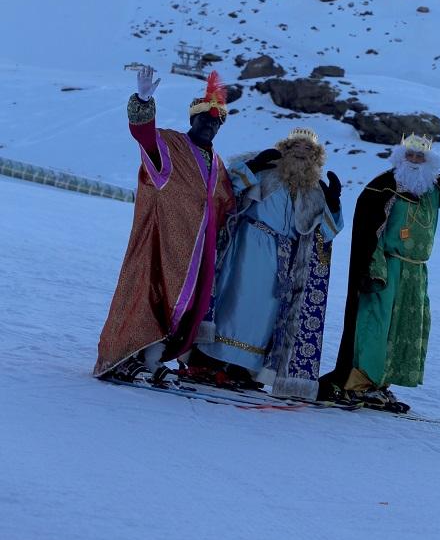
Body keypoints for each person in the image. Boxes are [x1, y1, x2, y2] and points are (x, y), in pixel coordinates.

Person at [318, 124, 440, 412]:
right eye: (410, 156)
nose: (415, 161)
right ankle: (359, 383)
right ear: (400, 158)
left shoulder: (432, 188)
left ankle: (381, 384)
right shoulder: (383, 187)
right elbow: (369, 233)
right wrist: (372, 267)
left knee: (403, 330)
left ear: (429, 161)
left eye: (420, 157)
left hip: (415, 273)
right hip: (386, 268)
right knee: (376, 327)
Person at [94, 66, 234, 382]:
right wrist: (142, 102)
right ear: (192, 119)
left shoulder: (218, 163)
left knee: (179, 309)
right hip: (161, 243)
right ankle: (126, 358)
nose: (210, 126)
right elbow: (144, 136)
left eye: (216, 122)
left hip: (194, 253)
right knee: (147, 297)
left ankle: (154, 361)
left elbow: (226, 203)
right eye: (205, 119)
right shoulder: (171, 144)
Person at [189, 128, 343, 400]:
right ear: (284, 148)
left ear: (316, 158)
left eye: (308, 150)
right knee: (235, 301)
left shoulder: (315, 189)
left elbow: (328, 233)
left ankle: (243, 371)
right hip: (248, 245)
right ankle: (209, 361)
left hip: (283, 261)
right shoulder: (265, 170)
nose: (300, 152)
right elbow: (223, 189)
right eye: (295, 146)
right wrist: (252, 167)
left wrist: (334, 204)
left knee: (265, 314)